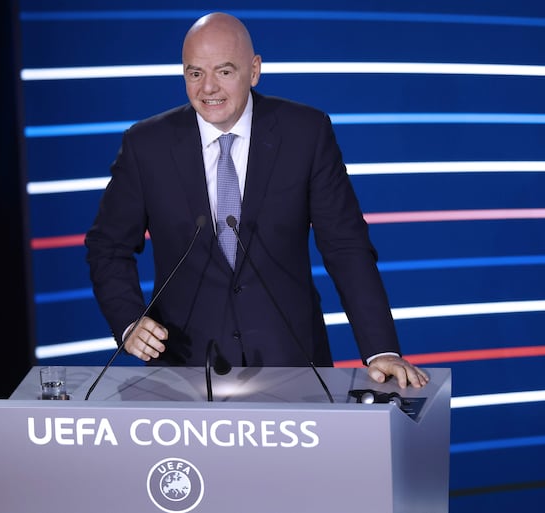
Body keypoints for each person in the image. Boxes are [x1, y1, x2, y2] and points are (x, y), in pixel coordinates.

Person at [85, 12, 428, 388]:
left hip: (293, 362)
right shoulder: (146, 145)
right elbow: (108, 246)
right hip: (185, 367)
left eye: (224, 71)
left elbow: (346, 246)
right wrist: (130, 320)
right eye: (195, 73)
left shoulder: (305, 134)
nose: (208, 88)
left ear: (254, 70)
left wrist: (381, 350)